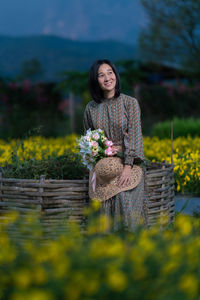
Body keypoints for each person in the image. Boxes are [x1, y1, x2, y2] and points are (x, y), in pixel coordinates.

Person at [83, 59, 149, 232]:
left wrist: (128, 166)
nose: (107, 78)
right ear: (95, 80)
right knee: (102, 203)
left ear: (116, 75)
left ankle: (129, 240)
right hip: (104, 167)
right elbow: (89, 140)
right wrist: (97, 160)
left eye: (110, 72)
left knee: (122, 196)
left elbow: (135, 135)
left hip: (129, 162)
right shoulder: (91, 108)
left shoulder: (130, 103)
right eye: (101, 75)